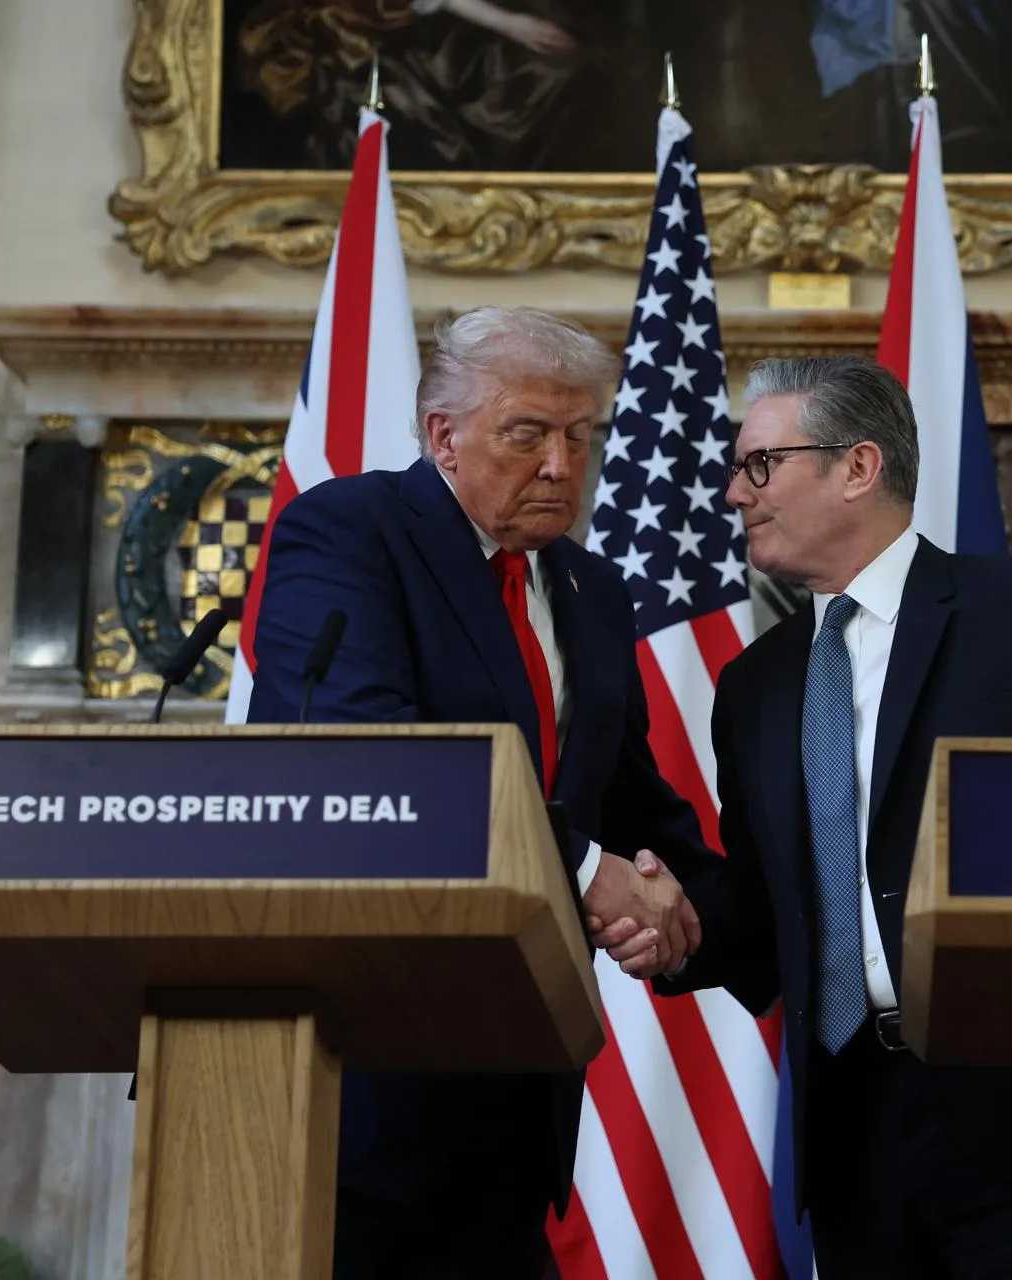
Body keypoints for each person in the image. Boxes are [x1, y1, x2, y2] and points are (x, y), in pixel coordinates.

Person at [660, 356, 1012, 1277]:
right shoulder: (754, 686)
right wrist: (672, 923)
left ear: (858, 468)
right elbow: (766, 906)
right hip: (857, 1137)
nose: (737, 493)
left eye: (761, 466)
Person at [247, 306, 718, 1279]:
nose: (560, 464)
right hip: (352, 1096)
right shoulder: (351, 529)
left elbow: (627, 797)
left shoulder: (588, 586)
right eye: (528, 434)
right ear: (443, 435)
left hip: (514, 1100)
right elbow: (372, 761)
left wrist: (705, 912)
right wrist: (588, 872)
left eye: (580, 436)